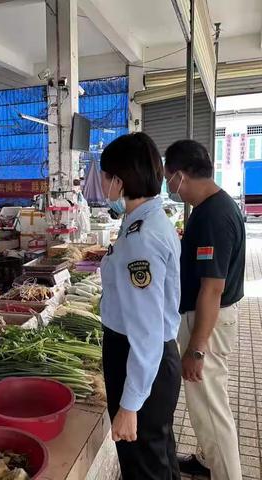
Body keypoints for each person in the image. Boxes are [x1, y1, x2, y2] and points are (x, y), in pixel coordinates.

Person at [100, 132, 182, 480]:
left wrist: (130, 404)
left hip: (139, 356)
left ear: (119, 180)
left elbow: (146, 331)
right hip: (150, 358)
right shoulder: (145, 220)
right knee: (159, 457)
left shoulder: (141, 238)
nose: (102, 183)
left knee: (143, 467)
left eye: (104, 176)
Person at [165, 140, 245, 480]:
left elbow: (212, 289)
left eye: (169, 178)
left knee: (211, 409)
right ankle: (207, 459)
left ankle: (227, 474)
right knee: (207, 405)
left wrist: (197, 349)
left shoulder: (213, 216)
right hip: (207, 318)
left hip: (207, 323)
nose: (169, 186)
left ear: (181, 175)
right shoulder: (213, 206)